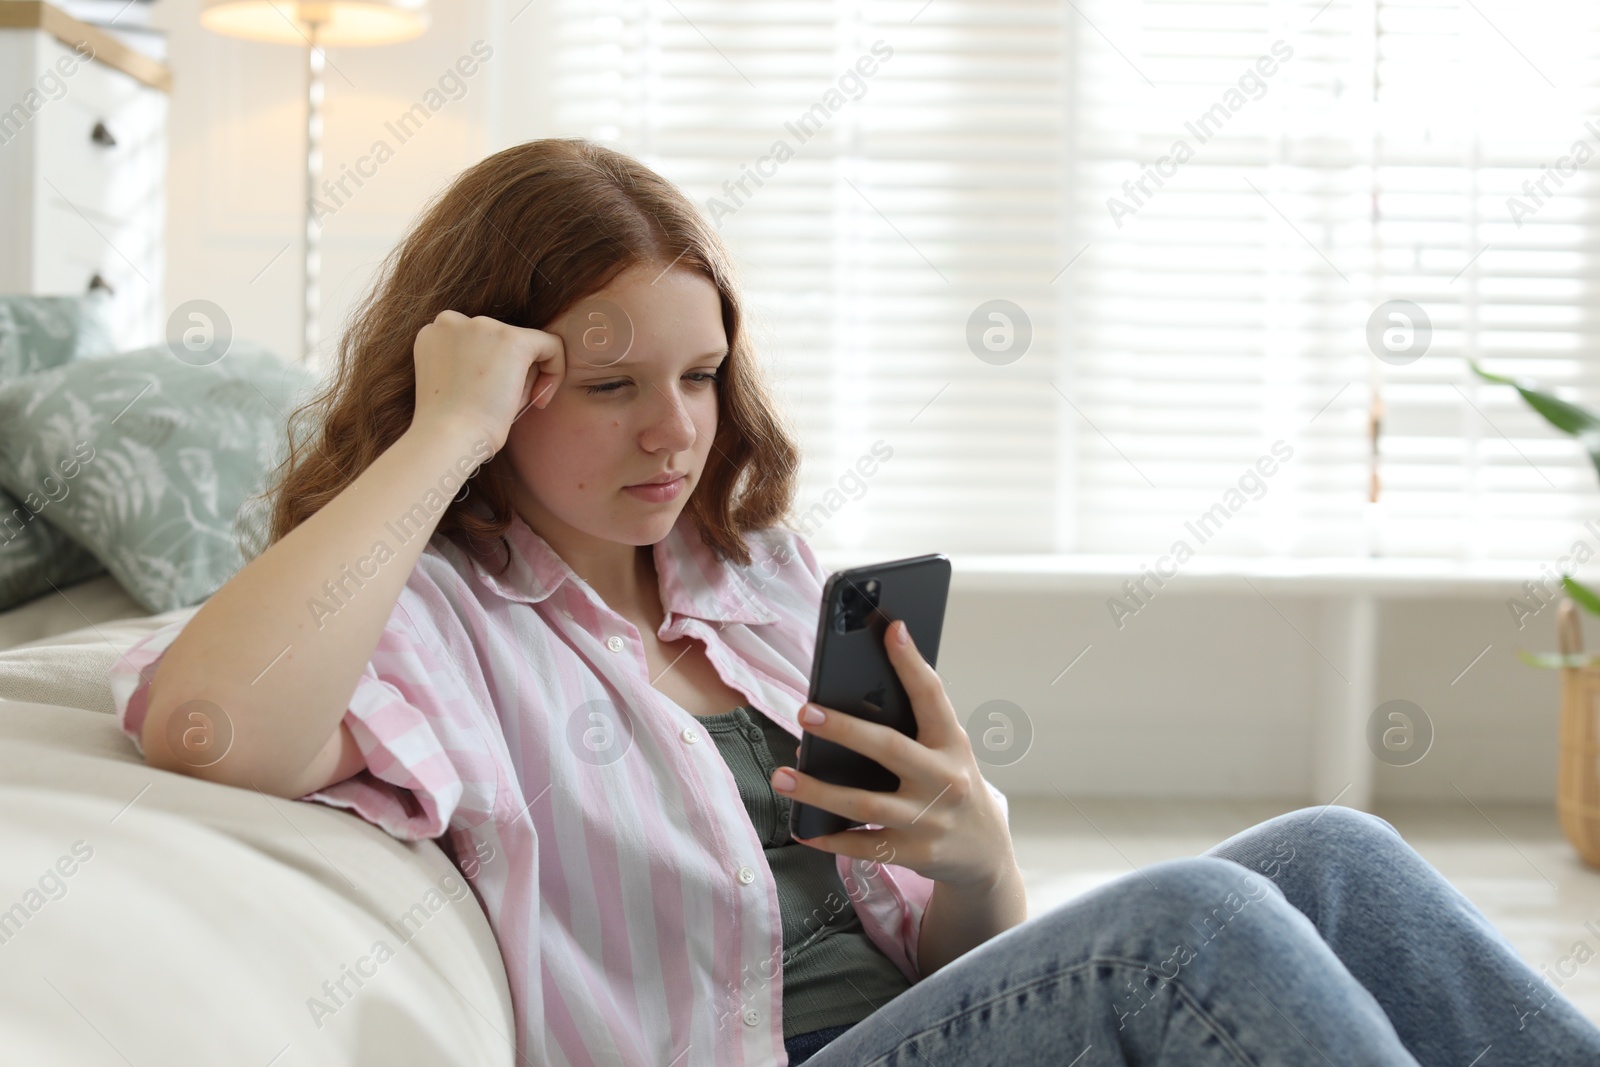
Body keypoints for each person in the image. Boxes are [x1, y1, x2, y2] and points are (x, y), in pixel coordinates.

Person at [110, 138, 1600, 1067]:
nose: (675, 433)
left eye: (698, 376)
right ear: (499, 381)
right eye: (612, 386)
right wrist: (443, 435)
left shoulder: (756, 577)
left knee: (1330, 854)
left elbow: (956, 959)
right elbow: (201, 723)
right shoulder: (441, 617)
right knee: (1186, 928)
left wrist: (972, 856)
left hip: (922, 1027)